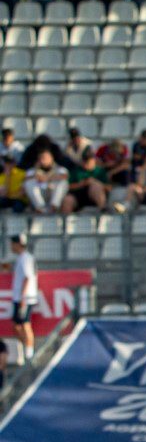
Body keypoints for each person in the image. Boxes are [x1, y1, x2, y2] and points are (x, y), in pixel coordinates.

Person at [9, 233, 36, 364]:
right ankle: (27, 348)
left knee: (25, 324)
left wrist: (23, 297)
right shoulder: (22, 258)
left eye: (13, 243)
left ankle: (30, 352)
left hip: (24, 298)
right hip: (19, 297)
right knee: (16, 325)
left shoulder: (25, 258)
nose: (11, 246)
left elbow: (27, 277)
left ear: (18, 244)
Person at [24, 147, 68, 214]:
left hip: (53, 194)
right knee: (28, 183)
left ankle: (54, 207)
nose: (43, 160)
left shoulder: (59, 169)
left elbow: (65, 176)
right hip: (41, 195)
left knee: (63, 182)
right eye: (41, 158)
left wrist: (47, 178)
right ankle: (40, 208)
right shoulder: (33, 171)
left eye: (45, 158)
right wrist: (36, 174)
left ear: (51, 158)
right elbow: (26, 178)